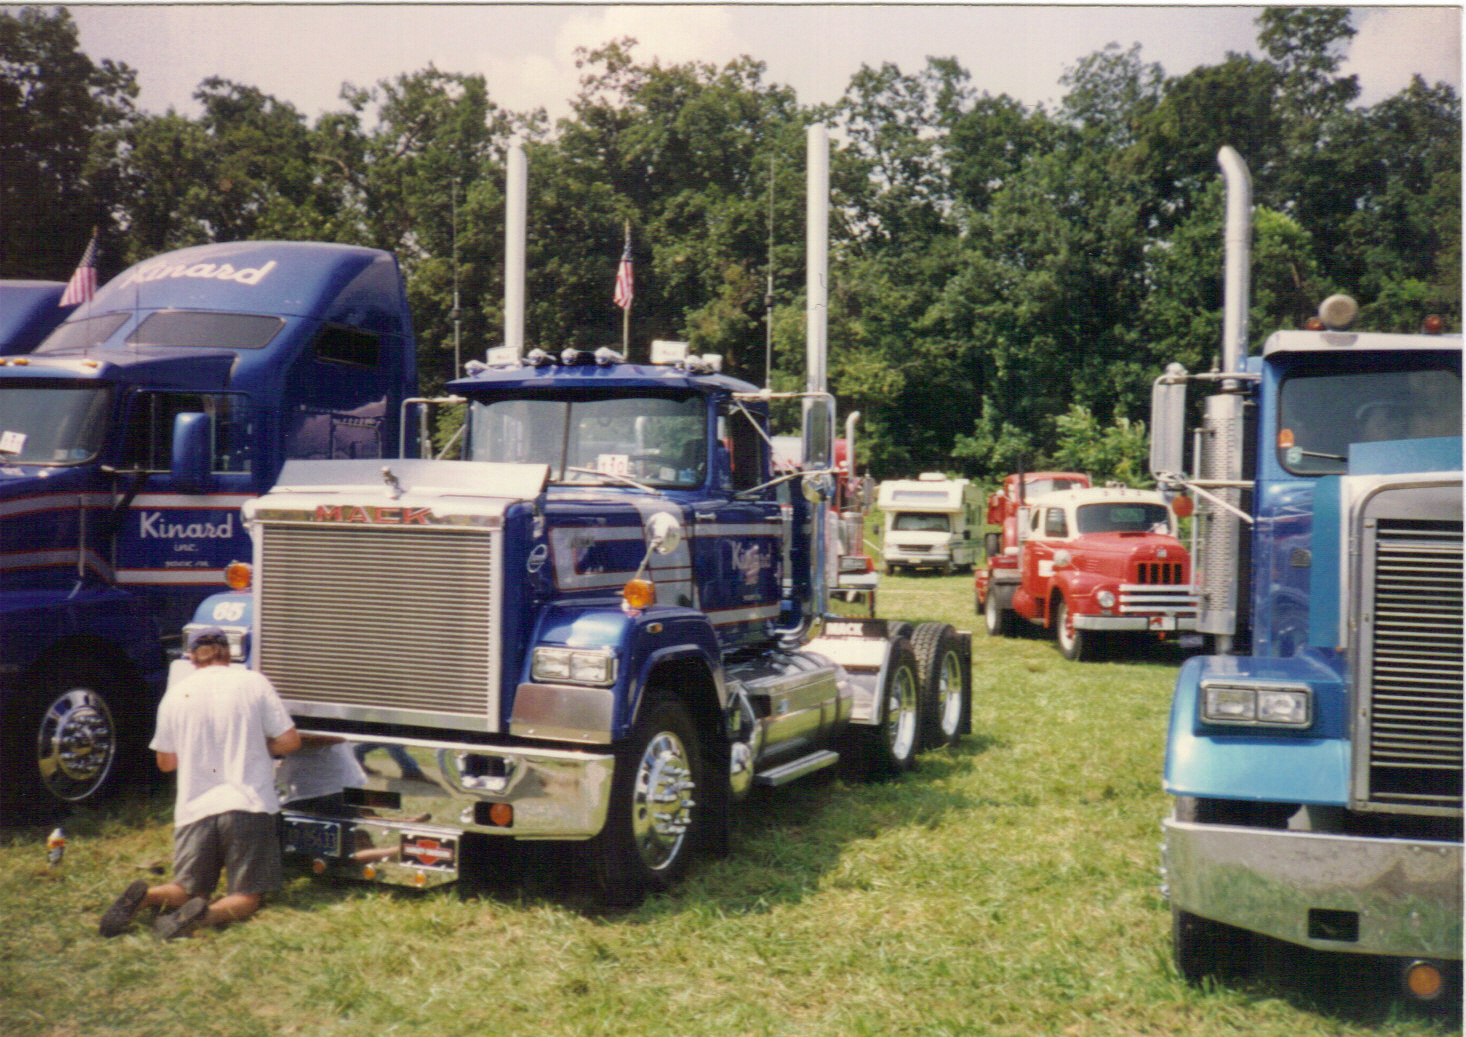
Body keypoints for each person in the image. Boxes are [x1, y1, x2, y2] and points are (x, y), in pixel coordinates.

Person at [99, 627, 300, 940]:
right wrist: (258, 746)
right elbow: (289, 741)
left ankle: (148, 897)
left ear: (191, 657)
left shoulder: (175, 695)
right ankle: (201, 917)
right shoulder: (253, 682)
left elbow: (166, 763)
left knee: (186, 889)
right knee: (247, 896)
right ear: (229, 653)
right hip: (248, 804)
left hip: (195, 809)